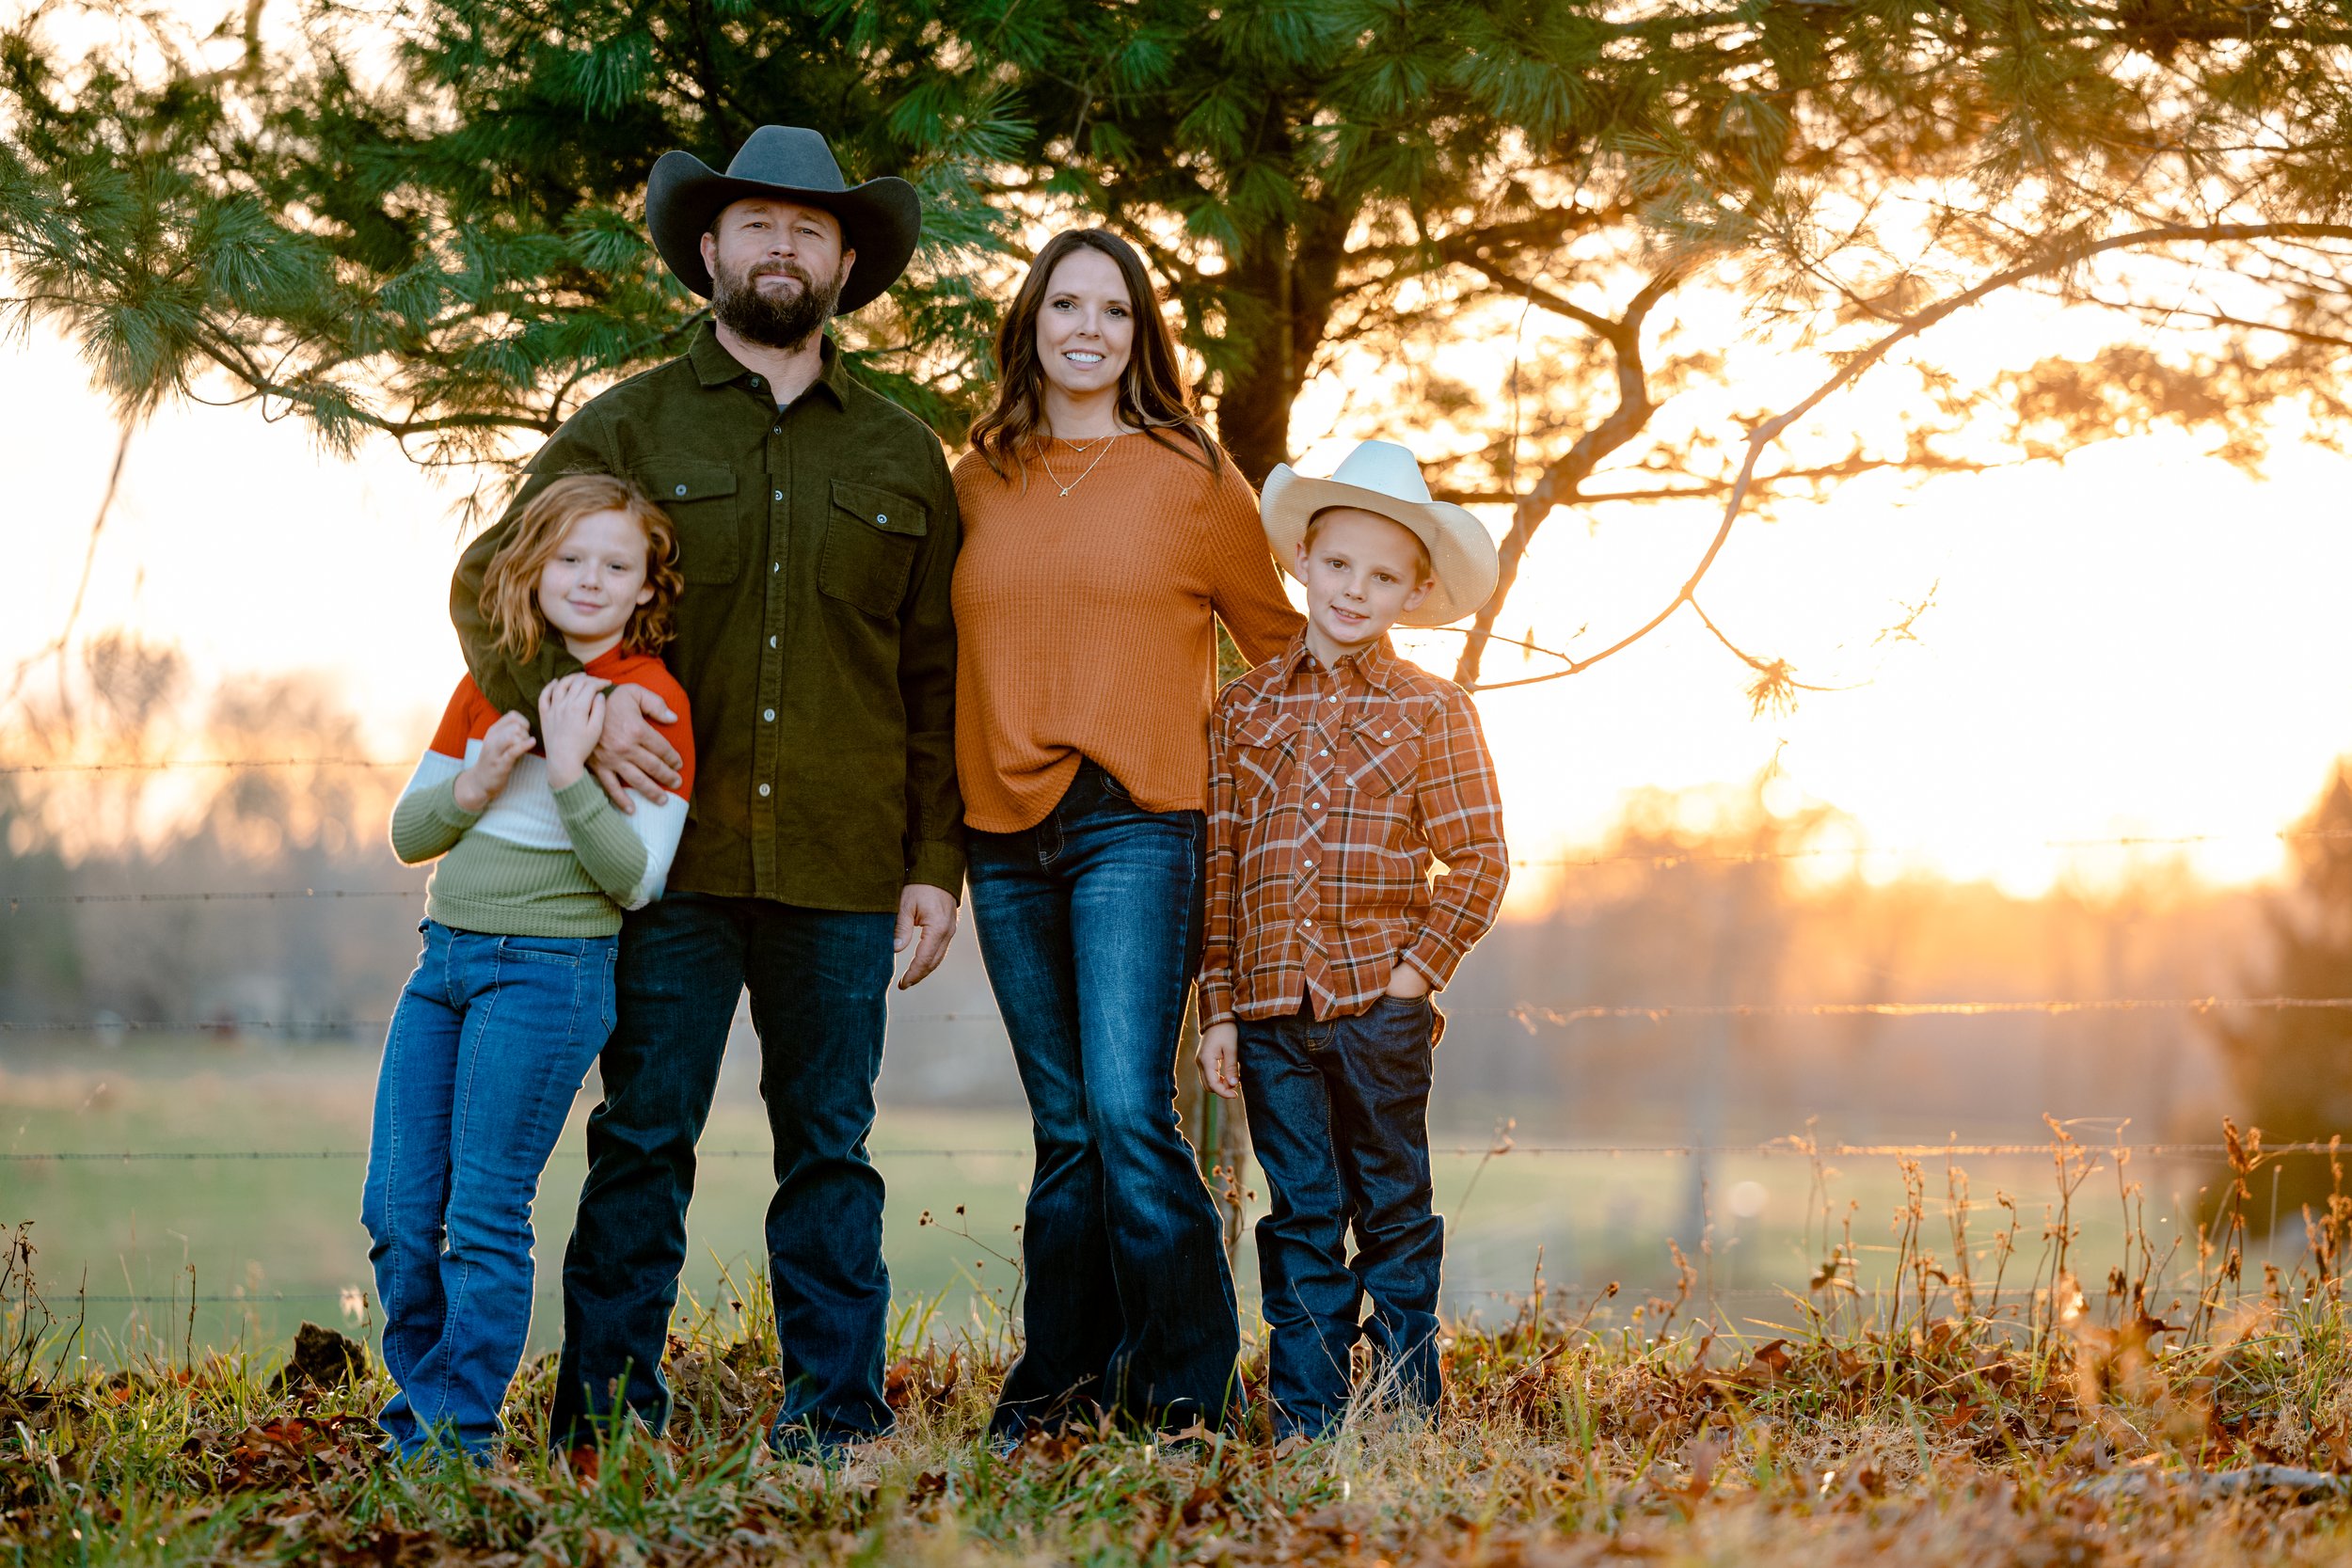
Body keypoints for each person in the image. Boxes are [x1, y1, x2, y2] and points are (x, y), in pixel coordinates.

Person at [447, 125, 963, 1458]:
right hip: (664, 861)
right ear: (711, 249)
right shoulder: (626, 421)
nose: (781, 247)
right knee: (643, 1142)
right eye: (756, 224)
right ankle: (606, 1428)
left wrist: (933, 859)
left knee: (830, 1153)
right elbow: (486, 581)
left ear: (847, 260)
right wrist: (576, 699)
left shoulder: (907, 456)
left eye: (809, 229)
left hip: (845, 869)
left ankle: (837, 1424)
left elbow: (933, 673)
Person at [951, 229, 1302, 1438]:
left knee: (1125, 1115)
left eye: (1112, 308)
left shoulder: (1194, 476)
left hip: (1139, 825)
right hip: (1000, 828)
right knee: (1064, 1133)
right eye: (1064, 306)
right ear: (1031, 324)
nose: (1086, 328)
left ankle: (1187, 1394)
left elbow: (1278, 652)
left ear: (1139, 332)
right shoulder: (976, 478)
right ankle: (1061, 1390)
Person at [365, 473, 695, 1462]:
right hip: (444, 961)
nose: (590, 579)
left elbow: (636, 879)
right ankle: (425, 1409)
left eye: (616, 564)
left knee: (481, 1214)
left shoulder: (653, 702)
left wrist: (568, 777)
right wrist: (473, 781)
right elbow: (408, 832)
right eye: (570, 558)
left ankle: (452, 1435)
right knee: (396, 1209)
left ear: (645, 588)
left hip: (550, 973)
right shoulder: (488, 684)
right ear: (534, 567)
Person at [1196, 438, 1510, 1440]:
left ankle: (1405, 1409)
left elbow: (1479, 861)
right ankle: (1308, 1418)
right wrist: (1220, 1009)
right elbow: (1222, 867)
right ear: (1303, 559)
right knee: (1299, 1216)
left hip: (1379, 1015)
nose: (1353, 590)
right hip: (1272, 1015)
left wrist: (1413, 977)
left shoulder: (1432, 711)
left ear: (1413, 590)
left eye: (1383, 576)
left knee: (1393, 1212)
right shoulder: (1243, 708)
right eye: (1338, 565)